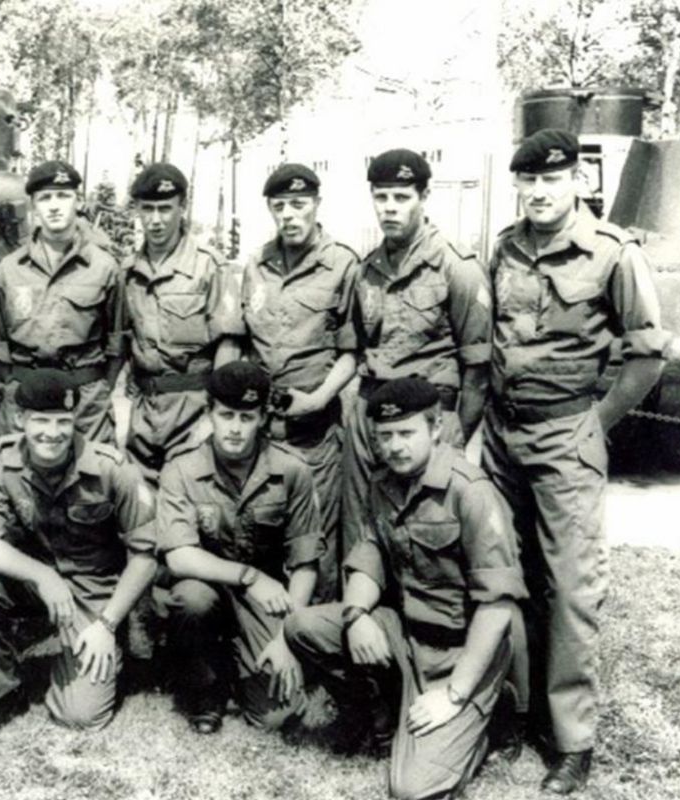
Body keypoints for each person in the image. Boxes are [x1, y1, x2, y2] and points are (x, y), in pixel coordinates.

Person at [481, 129, 668, 794]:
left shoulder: (613, 254)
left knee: (568, 588)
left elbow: (647, 355)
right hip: (503, 438)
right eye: (527, 181)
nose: (537, 193)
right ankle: (515, 713)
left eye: (551, 181)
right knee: (503, 577)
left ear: (578, 182)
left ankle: (571, 741)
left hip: (566, 435)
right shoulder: (504, 247)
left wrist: (597, 424)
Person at [285, 377, 526, 800]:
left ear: (435, 429)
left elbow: (497, 606)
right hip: (408, 637)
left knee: (410, 789)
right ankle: (382, 714)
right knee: (304, 625)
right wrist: (357, 616)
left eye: (406, 433)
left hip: (462, 653)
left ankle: (488, 718)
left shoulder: (471, 492)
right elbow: (367, 557)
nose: (395, 446)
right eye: (385, 436)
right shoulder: (385, 484)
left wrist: (454, 695)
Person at [0, 369, 157, 732]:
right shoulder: (4, 462)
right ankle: (2, 692)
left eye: (63, 421)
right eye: (41, 421)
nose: (53, 432)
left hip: (92, 591)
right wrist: (42, 575)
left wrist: (108, 622)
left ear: (74, 420)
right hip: (34, 584)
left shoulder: (111, 468)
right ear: (20, 420)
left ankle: (108, 648)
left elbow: (145, 556)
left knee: (80, 716)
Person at [342, 149, 491, 570]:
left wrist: (452, 439)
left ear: (424, 198)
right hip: (369, 417)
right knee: (359, 532)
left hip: (427, 421)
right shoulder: (366, 270)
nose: (389, 208)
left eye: (401, 197)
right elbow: (358, 347)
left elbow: (477, 372)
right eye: (381, 197)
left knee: (427, 541)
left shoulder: (457, 268)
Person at [158, 361, 322, 735]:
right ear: (209, 414)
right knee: (190, 599)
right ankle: (205, 690)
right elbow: (179, 556)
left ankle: (242, 661)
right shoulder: (181, 469)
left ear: (263, 417)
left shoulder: (292, 470)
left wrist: (285, 637)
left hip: (268, 601)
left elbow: (305, 562)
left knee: (275, 717)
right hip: (209, 586)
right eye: (226, 415)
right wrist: (249, 577)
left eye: (246, 417)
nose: (234, 427)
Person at [243, 163, 359, 600]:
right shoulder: (257, 265)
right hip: (264, 434)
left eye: (298, 204)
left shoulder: (341, 264)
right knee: (265, 536)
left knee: (317, 545)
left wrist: (319, 398)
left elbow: (352, 351)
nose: (289, 214)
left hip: (314, 434)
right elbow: (245, 342)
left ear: (316, 205)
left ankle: (317, 646)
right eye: (279, 206)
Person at [119, 162, 243, 486]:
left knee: (190, 507)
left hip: (195, 410)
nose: (156, 220)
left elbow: (228, 347)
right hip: (144, 414)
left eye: (165, 208)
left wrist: (217, 415)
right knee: (141, 511)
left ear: (182, 207)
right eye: (147, 209)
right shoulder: (128, 272)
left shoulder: (209, 265)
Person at [0, 161, 125, 442]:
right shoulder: (9, 269)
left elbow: (116, 344)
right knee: (18, 478)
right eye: (45, 197)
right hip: (24, 400)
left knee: (93, 479)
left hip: (87, 405)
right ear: (33, 206)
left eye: (63, 196)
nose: (54, 205)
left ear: (79, 201)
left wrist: (96, 389)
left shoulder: (104, 267)